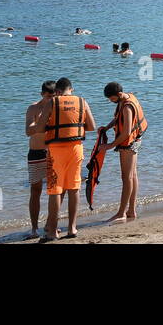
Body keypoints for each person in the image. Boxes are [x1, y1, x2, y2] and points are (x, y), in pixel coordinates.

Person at [37, 77, 97, 241]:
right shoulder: (82, 102)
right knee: (74, 188)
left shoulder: (53, 103)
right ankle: (72, 228)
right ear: (72, 89)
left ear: (57, 91)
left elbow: (41, 127)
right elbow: (91, 127)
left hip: (56, 150)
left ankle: (52, 231)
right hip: (76, 148)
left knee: (55, 190)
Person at [100, 82, 147, 224]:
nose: (110, 101)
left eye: (111, 98)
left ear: (119, 95)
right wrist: (107, 128)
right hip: (136, 141)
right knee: (132, 176)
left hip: (130, 144)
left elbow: (126, 132)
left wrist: (110, 145)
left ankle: (121, 213)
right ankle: (131, 210)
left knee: (126, 178)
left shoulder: (126, 107)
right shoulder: (127, 98)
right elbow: (118, 119)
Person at [23, 80, 56, 240]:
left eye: (54, 96)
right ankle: (34, 228)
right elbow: (28, 131)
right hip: (36, 152)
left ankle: (50, 224)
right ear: (42, 94)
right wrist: (41, 121)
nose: (51, 99)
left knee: (54, 190)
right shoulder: (33, 108)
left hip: (52, 152)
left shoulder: (57, 107)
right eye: (48, 96)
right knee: (35, 190)